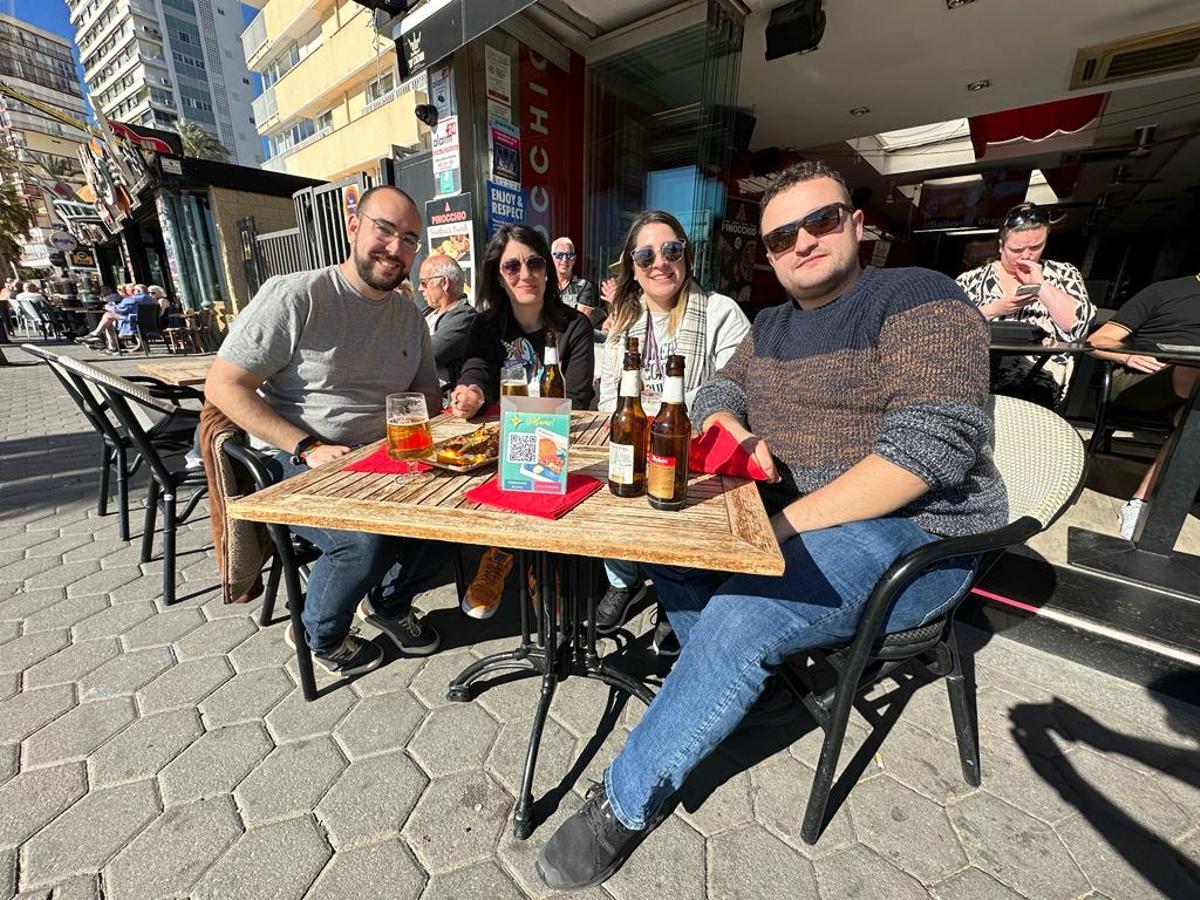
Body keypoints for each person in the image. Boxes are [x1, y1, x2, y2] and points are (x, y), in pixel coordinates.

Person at [535, 161, 1006, 890]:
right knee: (663, 537)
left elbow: (929, 450)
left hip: (918, 535)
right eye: (782, 234)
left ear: (856, 223)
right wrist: (730, 423)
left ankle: (625, 803)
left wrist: (780, 528)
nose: (803, 242)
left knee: (741, 618)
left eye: (821, 221)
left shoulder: (918, 296)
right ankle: (755, 688)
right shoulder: (773, 325)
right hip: (794, 515)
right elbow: (722, 386)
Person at [204, 184, 446, 676]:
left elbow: (427, 402)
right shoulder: (296, 296)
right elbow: (224, 385)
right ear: (353, 226)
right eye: (385, 229)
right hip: (295, 458)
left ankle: (388, 604)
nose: (395, 248)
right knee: (362, 541)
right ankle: (322, 634)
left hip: (383, 459)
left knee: (463, 516)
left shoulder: (408, 316)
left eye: (409, 240)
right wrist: (307, 446)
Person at [593, 210, 751, 648]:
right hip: (636, 445)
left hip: (693, 453)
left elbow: (736, 392)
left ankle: (672, 596)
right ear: (633, 268)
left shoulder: (720, 313)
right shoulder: (624, 322)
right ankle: (623, 581)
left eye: (671, 250)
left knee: (680, 515)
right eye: (645, 255)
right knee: (615, 488)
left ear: (687, 256)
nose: (659, 262)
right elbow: (609, 399)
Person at [449, 224, 595, 620]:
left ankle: (537, 563)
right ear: (499, 274)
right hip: (502, 439)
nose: (525, 274)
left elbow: (577, 398)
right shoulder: (486, 325)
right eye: (512, 266)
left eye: (534, 262)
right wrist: (472, 391)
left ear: (548, 269)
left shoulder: (573, 326)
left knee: (543, 467)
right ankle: (501, 552)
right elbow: (477, 367)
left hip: (558, 438)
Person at [1086, 273, 1200, 539]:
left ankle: (1140, 502)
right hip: (1140, 381)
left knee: (1192, 418)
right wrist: (1127, 355)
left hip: (1191, 399)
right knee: (1191, 367)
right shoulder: (1165, 291)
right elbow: (1096, 342)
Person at [956, 202, 1094, 407]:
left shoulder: (1063, 274)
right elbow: (947, 325)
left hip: (1037, 376)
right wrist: (993, 309)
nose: (1027, 255)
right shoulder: (970, 280)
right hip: (973, 373)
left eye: (1036, 246)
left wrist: (1041, 286)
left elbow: (1076, 326)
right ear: (1001, 246)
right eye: (1017, 249)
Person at [418, 254, 477, 393]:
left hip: (442, 403)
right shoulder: (427, 313)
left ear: (443, 283)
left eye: (424, 283)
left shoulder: (464, 317)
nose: (420, 289)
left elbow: (428, 353)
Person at [552, 236, 602, 330]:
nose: (564, 260)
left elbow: (580, 323)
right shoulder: (544, 285)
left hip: (572, 339)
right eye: (559, 255)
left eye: (569, 255)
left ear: (574, 259)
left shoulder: (584, 287)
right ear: (552, 258)